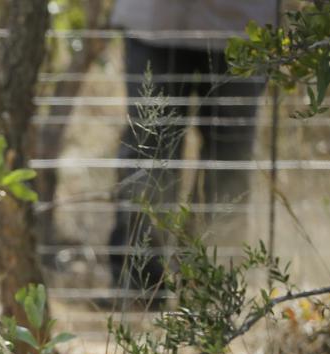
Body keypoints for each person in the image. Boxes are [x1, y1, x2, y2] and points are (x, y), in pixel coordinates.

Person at [106, 0, 280, 299]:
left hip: (242, 28)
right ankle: (140, 285)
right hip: (153, 22)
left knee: (229, 161)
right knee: (150, 152)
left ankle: (211, 287)